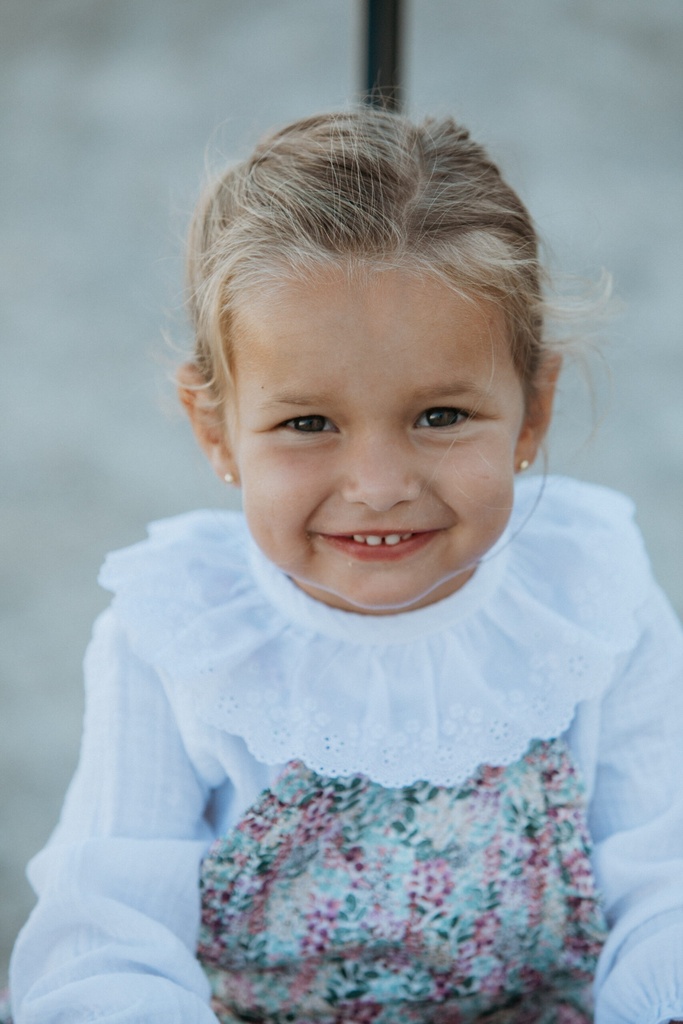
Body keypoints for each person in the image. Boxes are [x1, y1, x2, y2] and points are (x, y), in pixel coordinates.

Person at [7, 109, 683, 1024]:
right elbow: (108, 931)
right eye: (307, 424)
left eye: (440, 416)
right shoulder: (175, 632)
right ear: (216, 430)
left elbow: (665, 891)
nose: (377, 486)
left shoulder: (590, 596)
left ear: (532, 409)